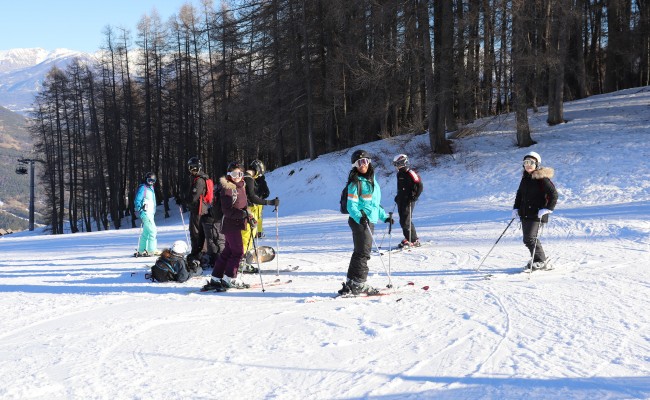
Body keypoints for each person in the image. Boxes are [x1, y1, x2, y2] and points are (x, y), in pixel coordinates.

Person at [339, 149, 392, 296]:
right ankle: (359, 284)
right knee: (363, 253)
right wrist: (359, 218)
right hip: (360, 222)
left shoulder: (372, 181)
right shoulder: (355, 183)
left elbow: (373, 204)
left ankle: (352, 282)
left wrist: (384, 216)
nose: (363, 165)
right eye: (359, 162)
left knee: (360, 252)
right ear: (354, 165)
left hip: (368, 220)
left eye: (366, 161)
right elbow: (351, 206)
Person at [202, 162, 257, 291]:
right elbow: (227, 210)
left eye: (239, 174)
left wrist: (249, 216)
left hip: (237, 222)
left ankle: (216, 277)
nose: (237, 176)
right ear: (229, 175)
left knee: (228, 251)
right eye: (234, 174)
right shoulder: (227, 188)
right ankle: (230, 277)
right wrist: (243, 214)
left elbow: (243, 206)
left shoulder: (240, 186)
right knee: (238, 251)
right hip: (230, 223)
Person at [513, 151, 558, 270]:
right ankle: (537, 259)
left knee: (529, 238)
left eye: (531, 163)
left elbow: (553, 194)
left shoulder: (542, 178)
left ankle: (541, 261)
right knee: (528, 239)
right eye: (526, 162)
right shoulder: (525, 178)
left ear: (537, 164)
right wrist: (516, 208)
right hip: (525, 212)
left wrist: (547, 209)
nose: (528, 165)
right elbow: (519, 194)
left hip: (537, 213)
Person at [240, 159, 279, 273]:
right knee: (246, 236)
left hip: (251, 210)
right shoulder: (248, 179)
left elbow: (264, 192)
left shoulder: (249, 179)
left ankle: (245, 259)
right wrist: (269, 202)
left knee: (249, 236)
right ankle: (241, 261)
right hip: (248, 210)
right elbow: (252, 196)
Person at [393, 154, 423, 248]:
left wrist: (415, 196)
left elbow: (420, 185)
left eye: (397, 163)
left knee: (405, 220)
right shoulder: (399, 174)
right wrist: (398, 196)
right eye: (395, 164)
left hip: (409, 200)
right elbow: (401, 187)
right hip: (401, 199)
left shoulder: (410, 172)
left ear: (403, 162)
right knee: (403, 220)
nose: (396, 166)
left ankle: (413, 240)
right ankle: (409, 237)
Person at [185, 157, 210, 265]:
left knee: (196, 232)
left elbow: (193, 197)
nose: (190, 170)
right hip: (199, 208)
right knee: (198, 231)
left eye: (191, 168)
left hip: (199, 209)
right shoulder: (199, 178)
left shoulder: (199, 180)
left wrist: (183, 200)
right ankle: (198, 252)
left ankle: (199, 254)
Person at [134, 172, 159, 257]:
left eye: (153, 181)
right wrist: (140, 210)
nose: (151, 182)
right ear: (146, 179)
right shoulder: (143, 188)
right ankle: (151, 250)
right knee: (153, 230)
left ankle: (141, 250)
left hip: (150, 213)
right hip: (145, 213)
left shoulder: (151, 188)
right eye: (149, 180)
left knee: (146, 232)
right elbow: (137, 200)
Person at [248, 159, 273, 238]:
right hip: (253, 201)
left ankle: (258, 232)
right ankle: (256, 232)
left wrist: (261, 197)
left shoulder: (260, 180)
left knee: (257, 217)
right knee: (254, 217)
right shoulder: (250, 179)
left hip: (257, 201)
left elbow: (267, 192)